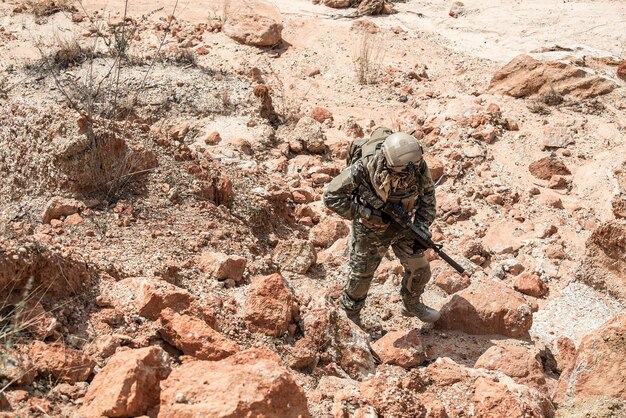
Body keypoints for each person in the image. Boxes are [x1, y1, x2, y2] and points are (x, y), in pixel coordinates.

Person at [323, 128, 439, 323]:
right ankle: (350, 315)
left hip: (405, 224)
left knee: (420, 268)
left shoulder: (416, 166)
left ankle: (412, 304)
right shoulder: (364, 167)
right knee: (361, 275)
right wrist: (366, 214)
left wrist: (421, 228)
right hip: (371, 229)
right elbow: (331, 196)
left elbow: (428, 198)